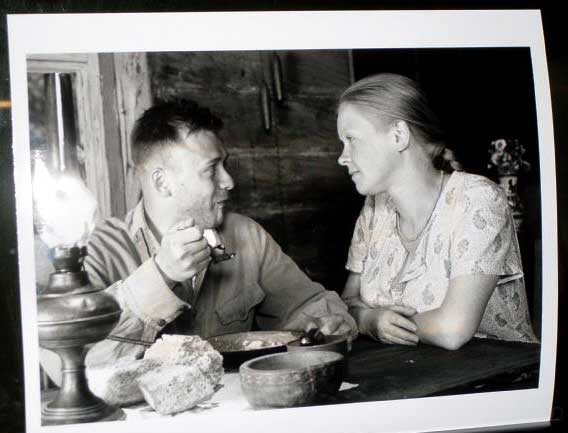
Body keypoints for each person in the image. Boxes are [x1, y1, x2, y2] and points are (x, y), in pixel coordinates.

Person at [81, 99, 357, 369]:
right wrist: (161, 274)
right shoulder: (101, 250)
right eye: (211, 169)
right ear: (162, 182)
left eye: (225, 165)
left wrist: (324, 322)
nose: (228, 181)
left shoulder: (247, 235)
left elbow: (311, 305)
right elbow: (77, 363)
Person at [336, 73, 537, 350]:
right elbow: (347, 302)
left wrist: (377, 324)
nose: (342, 157)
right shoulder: (374, 208)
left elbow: (452, 329)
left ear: (398, 135)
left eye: (351, 139)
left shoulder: (476, 199)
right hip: (409, 373)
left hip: (493, 379)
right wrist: (368, 320)